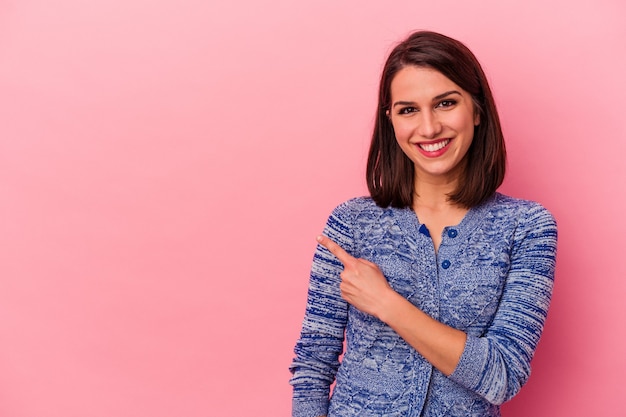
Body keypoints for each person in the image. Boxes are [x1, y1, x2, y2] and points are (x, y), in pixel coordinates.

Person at [289, 30, 557, 417]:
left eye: (445, 103)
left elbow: (502, 375)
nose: (429, 128)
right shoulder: (351, 224)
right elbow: (313, 366)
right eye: (408, 109)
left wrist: (386, 303)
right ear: (391, 121)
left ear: (477, 110)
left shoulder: (527, 228)